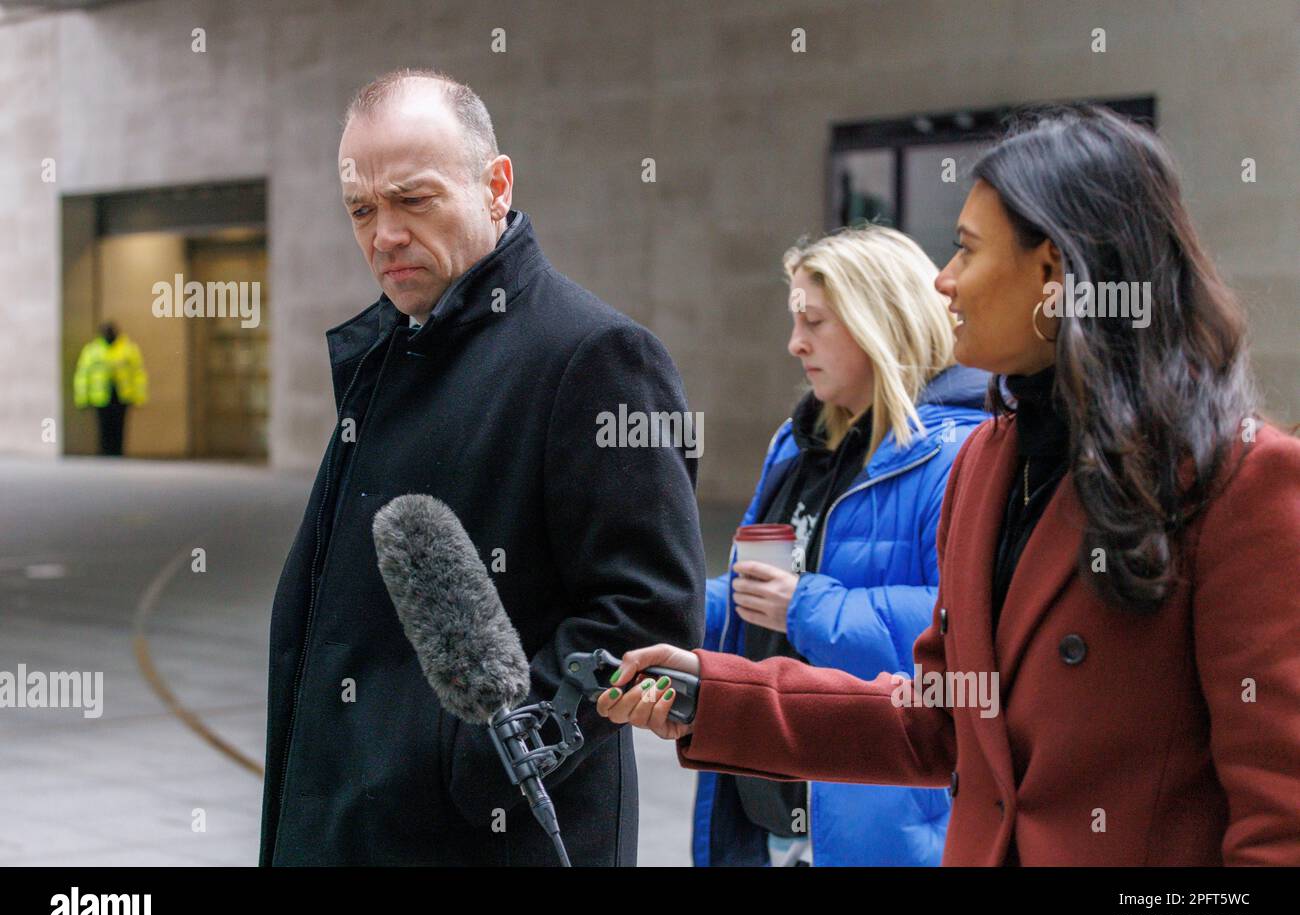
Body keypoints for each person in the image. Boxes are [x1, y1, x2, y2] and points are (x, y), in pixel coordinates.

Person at [598, 104, 1300, 866]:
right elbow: (935, 720)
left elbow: (1279, 822)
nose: (944, 279)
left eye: (965, 250)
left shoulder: (1241, 484)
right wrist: (715, 692)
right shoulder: (988, 463)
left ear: (1054, 272)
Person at [259, 68, 705, 866]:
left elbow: (648, 613)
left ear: (496, 185)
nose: (382, 233)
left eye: (413, 200)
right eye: (362, 209)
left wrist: (466, 760)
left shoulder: (598, 357)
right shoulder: (390, 351)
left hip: (479, 841)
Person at [691, 225, 989, 866]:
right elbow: (752, 590)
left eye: (816, 322)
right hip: (771, 815)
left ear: (881, 321)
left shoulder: (962, 454)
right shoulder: (797, 444)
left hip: (881, 824)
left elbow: (965, 630)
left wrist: (807, 607)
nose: (794, 343)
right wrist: (669, 607)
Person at [72, 321, 148, 455]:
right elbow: (82, 376)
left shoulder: (128, 349)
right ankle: (105, 453)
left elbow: (138, 375)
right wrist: (82, 398)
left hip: (122, 395)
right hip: (100, 396)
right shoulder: (92, 350)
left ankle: (117, 453)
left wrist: (139, 397)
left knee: (119, 427)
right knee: (104, 427)